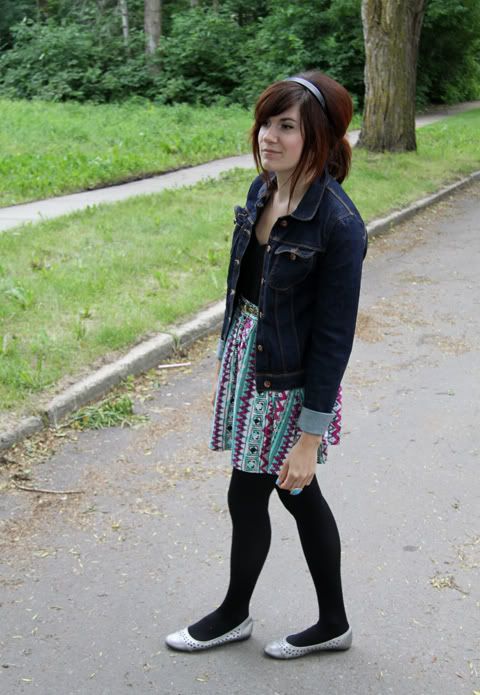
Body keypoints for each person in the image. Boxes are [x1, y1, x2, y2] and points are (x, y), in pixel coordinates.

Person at [165, 71, 367, 659]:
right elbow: (248, 285)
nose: (268, 137)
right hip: (251, 360)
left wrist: (309, 436)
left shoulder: (339, 224)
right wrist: (230, 352)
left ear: (319, 137)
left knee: (257, 492)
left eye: (286, 126)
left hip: (288, 381)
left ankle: (236, 614)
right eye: (265, 124)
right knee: (290, 496)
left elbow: (334, 338)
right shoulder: (264, 190)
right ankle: (331, 622)